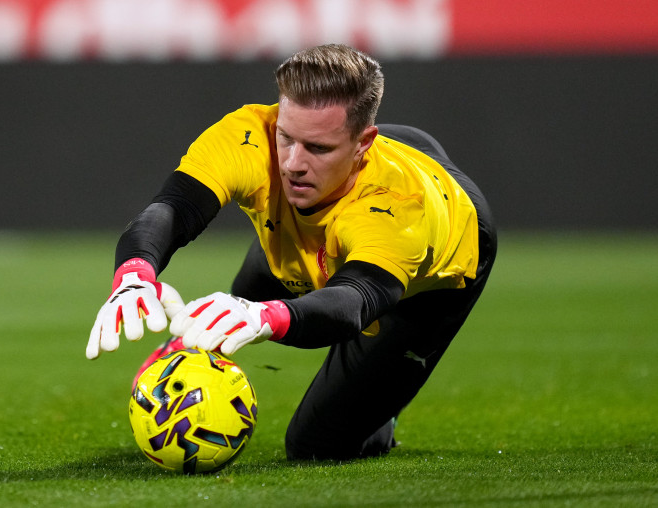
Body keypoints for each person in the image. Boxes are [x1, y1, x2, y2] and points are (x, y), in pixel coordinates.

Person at [86, 44, 497, 461]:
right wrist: (134, 274)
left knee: (317, 446)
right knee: (247, 293)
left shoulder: (400, 209)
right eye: (286, 137)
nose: (292, 164)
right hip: (351, 184)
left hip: (438, 263)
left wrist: (267, 317)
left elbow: (356, 301)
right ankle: (187, 348)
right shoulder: (251, 133)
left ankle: (378, 411)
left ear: (363, 143)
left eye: (317, 148)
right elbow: (175, 207)